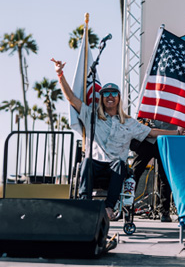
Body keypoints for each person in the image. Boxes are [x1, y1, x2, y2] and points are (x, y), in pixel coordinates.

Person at [51, 58, 178, 220]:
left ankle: (109, 207)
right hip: (95, 164)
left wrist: (178, 132)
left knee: (120, 164)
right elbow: (72, 99)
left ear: (118, 98)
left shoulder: (129, 122)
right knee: (87, 162)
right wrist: (60, 74)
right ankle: (85, 204)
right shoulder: (92, 116)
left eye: (113, 93)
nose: (110, 96)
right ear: (101, 98)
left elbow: (152, 133)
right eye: (106, 94)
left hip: (115, 167)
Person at [130, 120, 178, 222]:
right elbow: (139, 116)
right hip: (148, 139)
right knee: (134, 173)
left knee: (165, 176)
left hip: (166, 138)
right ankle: (126, 207)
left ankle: (165, 211)